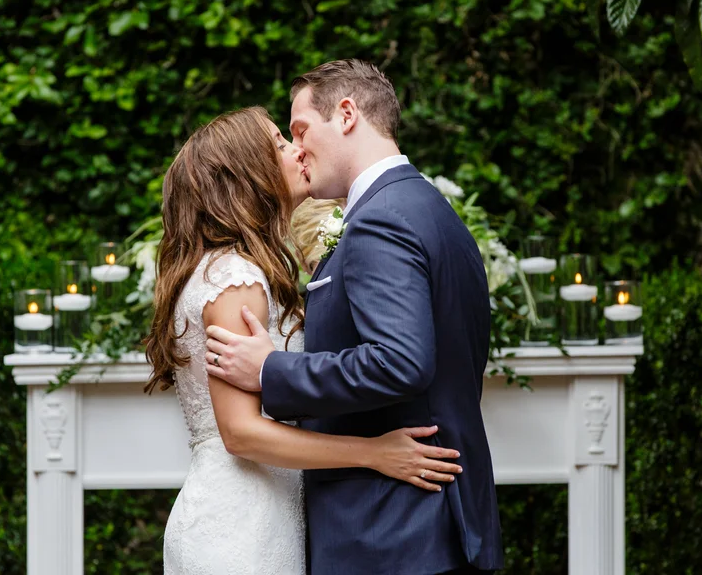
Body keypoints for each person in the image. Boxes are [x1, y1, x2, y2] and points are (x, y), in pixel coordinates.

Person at [205, 60, 504, 574]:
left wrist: (269, 370)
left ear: (346, 114)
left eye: (300, 130)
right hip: (430, 525)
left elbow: (399, 361)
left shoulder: (381, 219)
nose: (296, 150)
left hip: (391, 531)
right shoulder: (429, 208)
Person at [144, 106, 463, 575]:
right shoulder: (234, 277)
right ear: (247, 174)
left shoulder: (229, 269)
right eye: (279, 145)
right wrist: (374, 452)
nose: (297, 151)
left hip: (260, 514)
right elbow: (241, 432)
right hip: (240, 529)